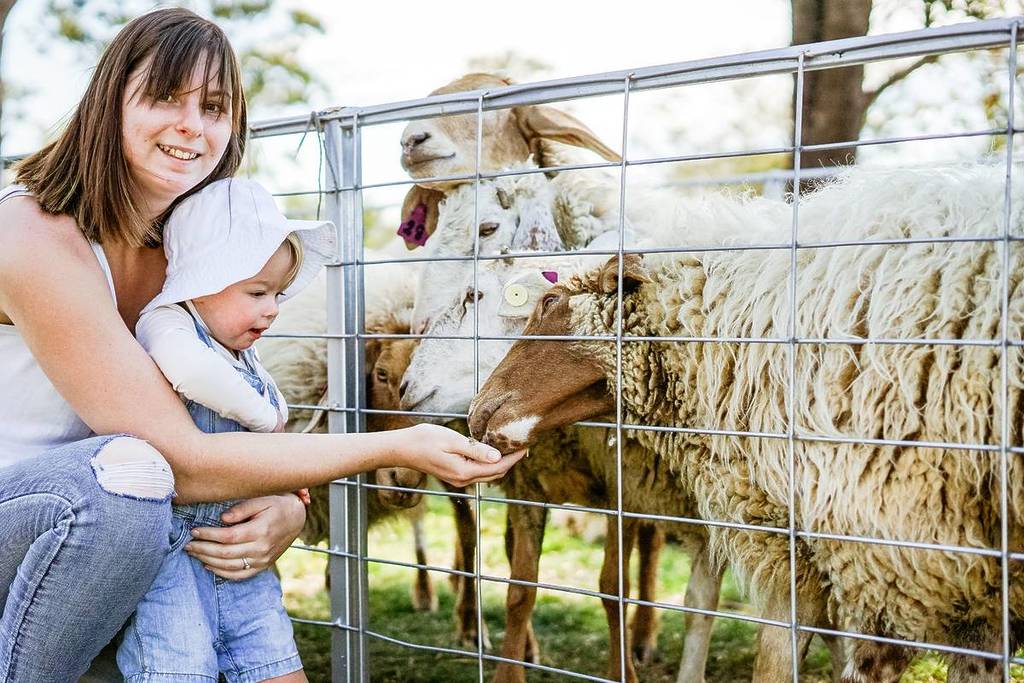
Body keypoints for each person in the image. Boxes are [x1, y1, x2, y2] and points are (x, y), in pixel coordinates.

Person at [0, 9, 523, 682]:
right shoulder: (31, 235)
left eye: (214, 107)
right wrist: (397, 443)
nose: (193, 125)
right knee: (128, 475)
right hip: (37, 514)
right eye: (165, 97)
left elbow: (223, 414)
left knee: (143, 501)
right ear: (110, 102)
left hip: (125, 533)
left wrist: (288, 504)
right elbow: (180, 460)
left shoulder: (194, 253)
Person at [118, 177, 332, 683]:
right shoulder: (166, 324)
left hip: (240, 552)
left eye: (278, 293)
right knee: (178, 663)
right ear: (202, 278)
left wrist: (278, 461)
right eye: (258, 292)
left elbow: (272, 400)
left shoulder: (238, 348)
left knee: (271, 657)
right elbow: (192, 375)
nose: (273, 308)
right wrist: (265, 420)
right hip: (169, 558)